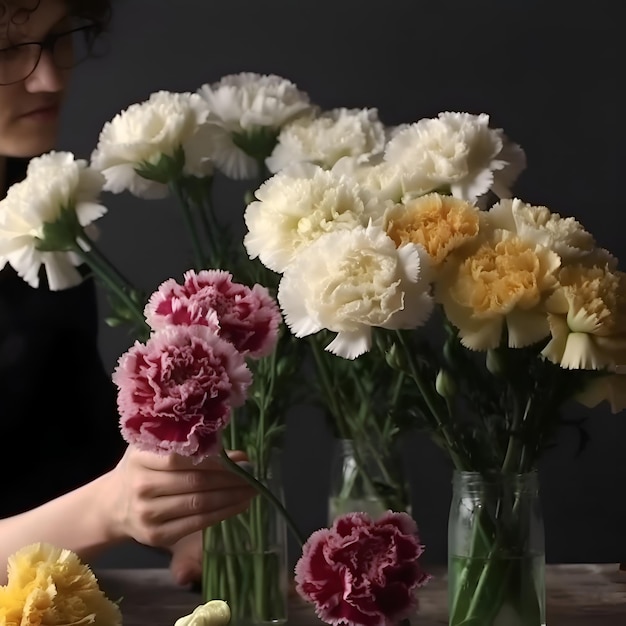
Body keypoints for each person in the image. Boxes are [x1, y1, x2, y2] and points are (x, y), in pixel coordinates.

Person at [0, 0, 256, 586]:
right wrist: (110, 510)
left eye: (59, 37)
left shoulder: (38, 210)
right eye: (7, 51)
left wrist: (189, 519)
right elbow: (100, 496)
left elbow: (76, 445)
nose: (50, 77)